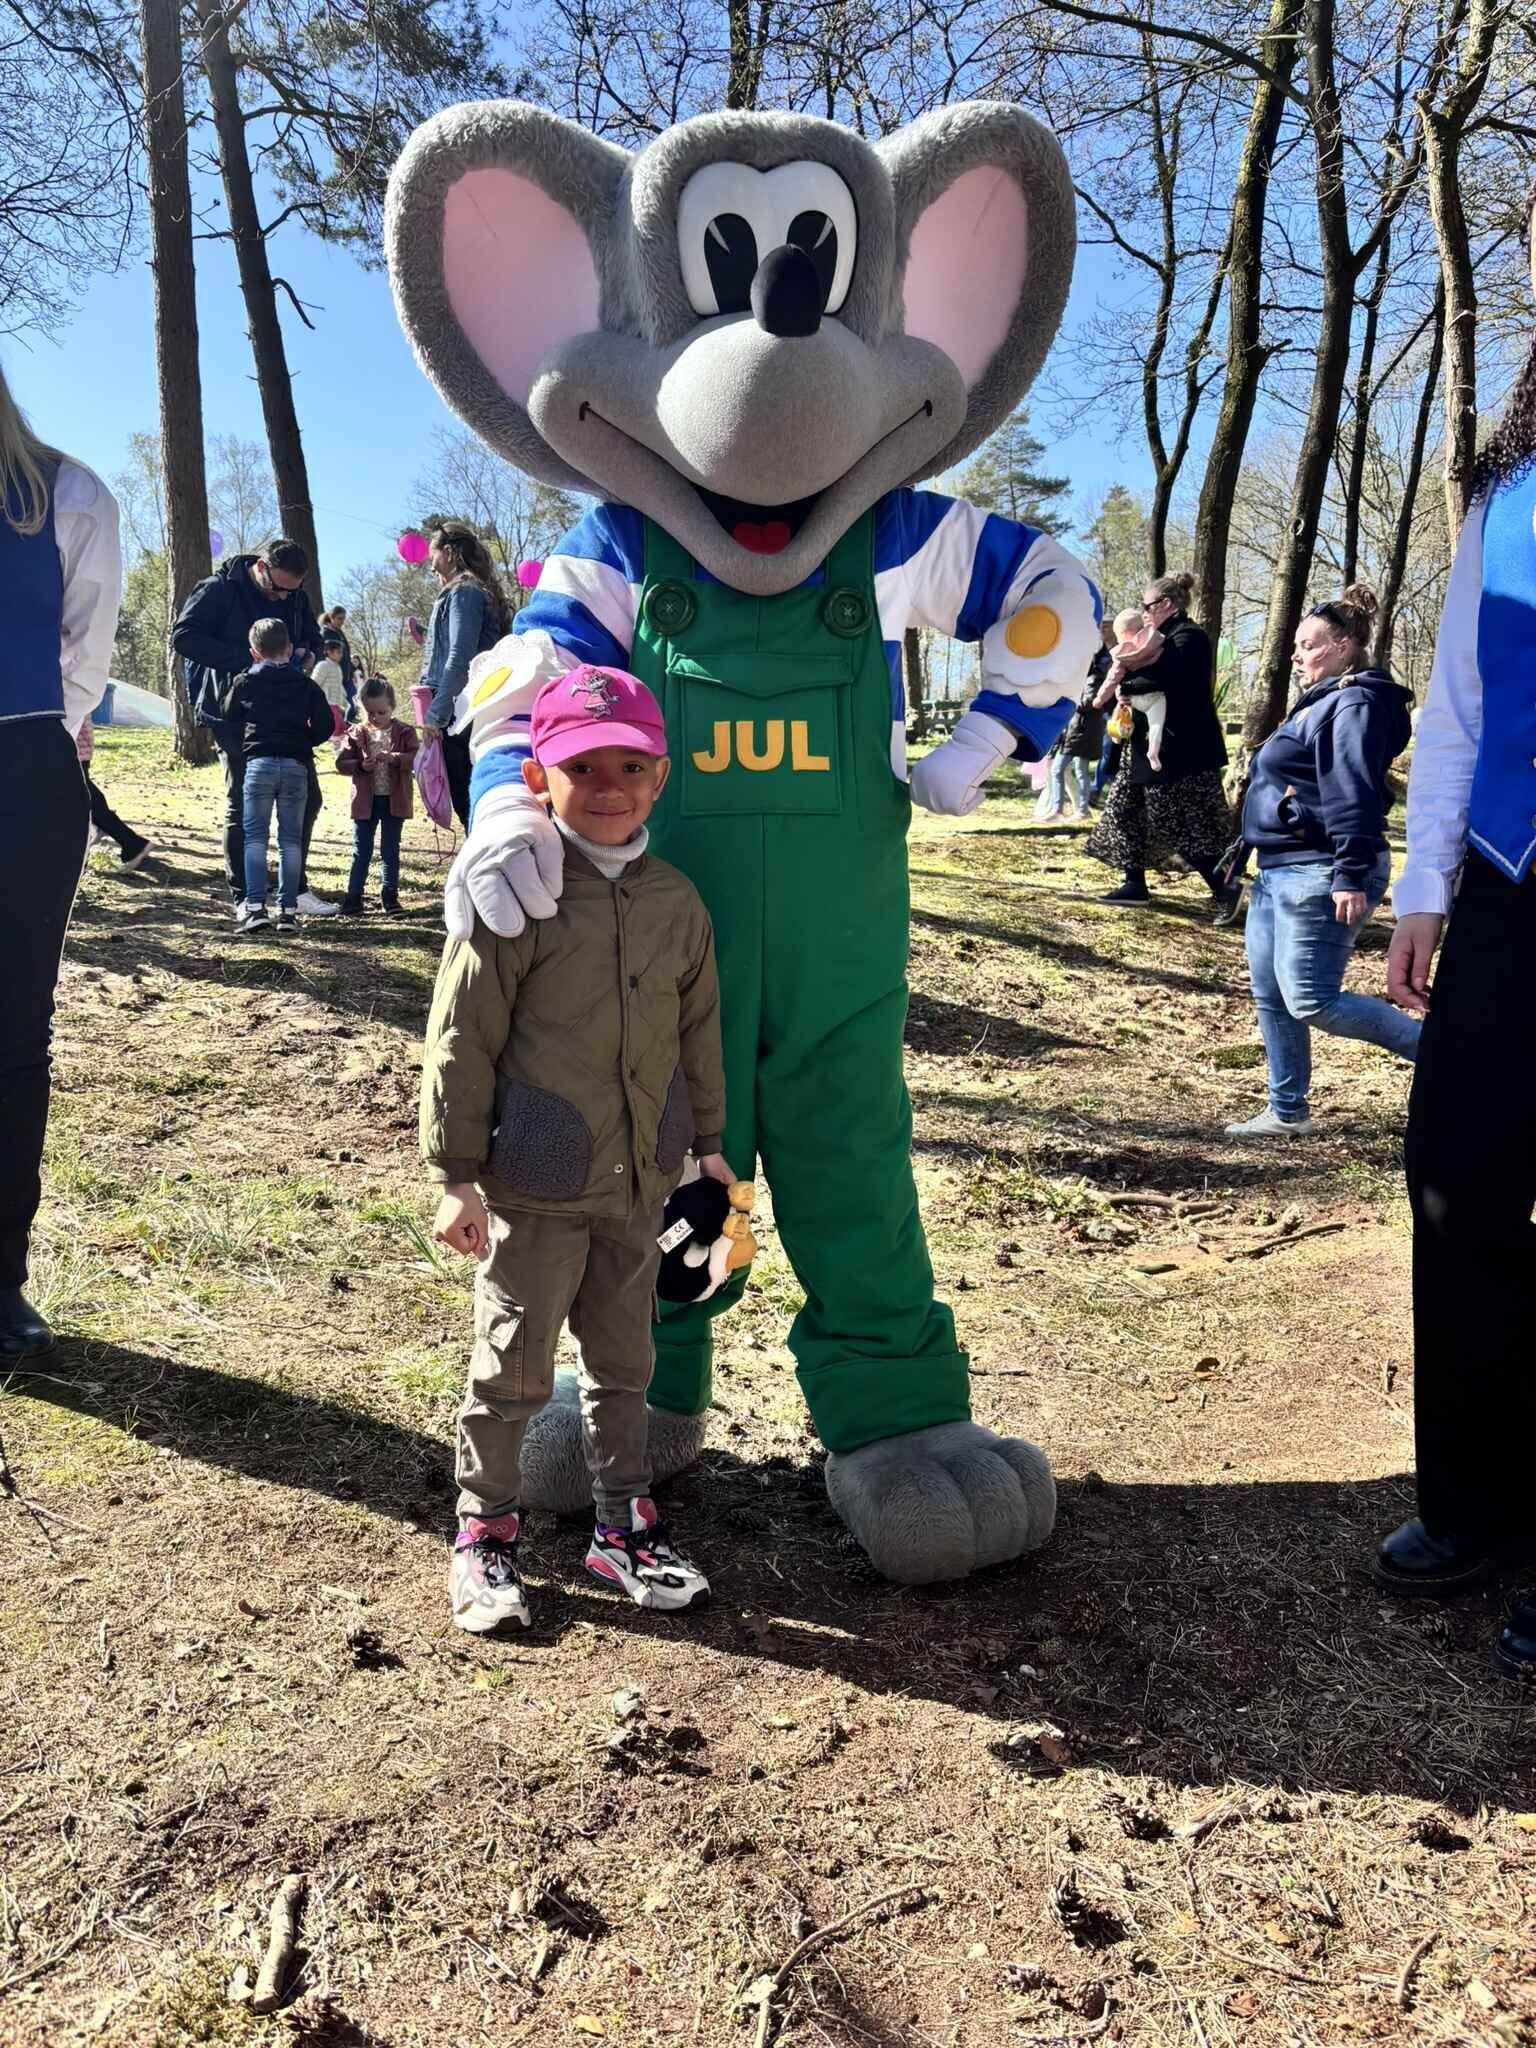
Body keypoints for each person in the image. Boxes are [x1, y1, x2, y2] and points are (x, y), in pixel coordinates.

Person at [421, 666, 728, 1631]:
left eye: (628, 766)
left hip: (642, 1181)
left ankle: (622, 1524)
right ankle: (486, 1531)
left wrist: (707, 1147)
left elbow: (699, 1032)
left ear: (661, 776)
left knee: (625, 1359)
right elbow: (461, 1036)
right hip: (539, 1178)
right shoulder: (518, 894)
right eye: (581, 765)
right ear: (539, 773)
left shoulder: (677, 900)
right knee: (512, 1365)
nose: (607, 787)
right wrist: (456, 1175)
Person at [1373, 184, 1536, 1668]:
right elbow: (1464, 708)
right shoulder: (1507, 489)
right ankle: (1481, 1497)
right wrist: (1426, 887)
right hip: (1510, 885)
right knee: (1456, 1176)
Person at [0, 363, 121, 1361]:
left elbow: (84, 657)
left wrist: (42, 733)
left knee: (10, 1030)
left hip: (21, 767)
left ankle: (0, 1276)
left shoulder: (65, 493)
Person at [1223, 584, 1420, 1139]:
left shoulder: (1353, 702)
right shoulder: (1321, 701)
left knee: (1312, 999)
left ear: (1342, 646)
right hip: (1279, 868)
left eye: (1306, 645)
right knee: (1273, 996)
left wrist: (1351, 872)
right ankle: (1287, 1110)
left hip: (1320, 868)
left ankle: (1463, 1068)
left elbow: (1351, 789)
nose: (1296, 656)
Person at [170, 537, 338, 918]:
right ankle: (247, 897)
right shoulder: (218, 590)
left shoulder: (293, 595)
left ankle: (294, 889)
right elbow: (184, 637)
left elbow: (313, 634)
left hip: (287, 712)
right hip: (234, 710)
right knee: (245, 803)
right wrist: (245, 664)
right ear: (261, 567)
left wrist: (310, 652)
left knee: (307, 798)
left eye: (292, 592)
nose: (283, 598)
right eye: (278, 589)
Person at [1085, 570, 1240, 919]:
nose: (1143, 612)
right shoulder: (1153, 636)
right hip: (1141, 747)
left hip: (1179, 752)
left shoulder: (1189, 638)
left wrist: (1125, 683)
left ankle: (1226, 887)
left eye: (1147, 606)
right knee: (1125, 810)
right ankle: (1133, 882)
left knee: (1181, 822)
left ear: (1168, 604)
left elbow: (1163, 678)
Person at [225, 619, 333, 934]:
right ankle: (287, 911)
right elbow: (326, 726)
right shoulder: (306, 685)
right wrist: (303, 742)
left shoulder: (245, 682)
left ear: (254, 652)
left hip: (258, 765)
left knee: (255, 838)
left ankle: (255, 908)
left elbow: (229, 720)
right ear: (288, 648)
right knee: (290, 840)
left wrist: (245, 748)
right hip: (296, 766)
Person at [419, 521, 510, 828]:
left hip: (460, 713)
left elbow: (460, 658)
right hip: (456, 710)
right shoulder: (460, 593)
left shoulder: (465, 592)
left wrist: (436, 715)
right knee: (466, 800)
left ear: (447, 552)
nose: (430, 565)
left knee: (469, 801)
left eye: (432, 555)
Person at [335, 678, 418, 913]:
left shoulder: (405, 732)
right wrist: (361, 765)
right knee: (361, 850)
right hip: (365, 802)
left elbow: (417, 758)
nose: (376, 717)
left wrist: (396, 758)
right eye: (370, 712)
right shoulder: (357, 733)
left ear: (392, 707)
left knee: (390, 849)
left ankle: (390, 896)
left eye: (381, 712)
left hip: (394, 800)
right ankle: (353, 897)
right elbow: (341, 763)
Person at [1035, 634, 1109, 821]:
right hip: (1076, 730)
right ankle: (1072, 810)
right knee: (1073, 770)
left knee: (1063, 769)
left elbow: (1089, 703)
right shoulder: (1082, 678)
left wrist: (1067, 698)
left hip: (1082, 731)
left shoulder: (1094, 678)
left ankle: (1066, 810)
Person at [77, 716, 151, 870]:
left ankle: (131, 842)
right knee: (85, 798)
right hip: (73, 744)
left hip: (72, 745)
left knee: (85, 798)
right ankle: (126, 840)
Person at [320, 606, 356, 710]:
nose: (342, 622)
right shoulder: (325, 634)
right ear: (331, 617)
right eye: (339, 618)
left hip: (347, 677)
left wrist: (352, 669)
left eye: (344, 619)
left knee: (353, 704)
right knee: (342, 710)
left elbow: (345, 654)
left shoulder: (340, 633)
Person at [313, 634, 349, 734]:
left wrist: (343, 700)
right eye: (338, 652)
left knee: (342, 726)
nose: (341, 655)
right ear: (329, 652)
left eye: (341, 652)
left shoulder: (337, 668)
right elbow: (314, 683)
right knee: (336, 726)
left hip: (335, 702)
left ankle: (337, 744)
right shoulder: (323, 665)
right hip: (326, 702)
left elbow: (339, 685)